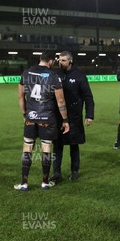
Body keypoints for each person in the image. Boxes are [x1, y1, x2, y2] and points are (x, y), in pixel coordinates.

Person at [15, 52, 69, 191]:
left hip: (31, 117)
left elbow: (21, 97)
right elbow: (60, 100)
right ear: (50, 61)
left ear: (40, 59)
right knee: (46, 147)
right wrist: (65, 120)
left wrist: (24, 114)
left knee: (27, 147)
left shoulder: (25, 73)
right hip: (47, 118)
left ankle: (24, 183)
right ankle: (45, 182)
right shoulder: (54, 76)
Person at [52, 51, 95, 182]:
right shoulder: (56, 74)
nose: (60, 62)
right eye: (59, 60)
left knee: (73, 145)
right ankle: (56, 173)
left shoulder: (80, 76)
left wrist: (89, 115)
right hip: (58, 116)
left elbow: (88, 97)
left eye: (63, 60)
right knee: (57, 146)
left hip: (74, 117)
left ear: (70, 61)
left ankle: (74, 171)